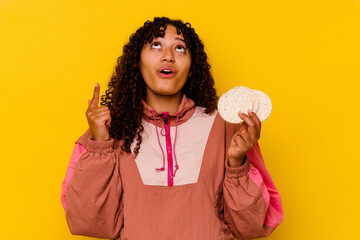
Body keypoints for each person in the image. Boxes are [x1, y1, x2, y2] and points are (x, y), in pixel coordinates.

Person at [61, 17, 283, 240]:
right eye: (156, 45)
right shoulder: (109, 131)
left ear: (192, 66)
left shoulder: (227, 128)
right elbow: (88, 222)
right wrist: (100, 144)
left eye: (180, 48)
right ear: (137, 61)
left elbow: (251, 227)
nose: (168, 56)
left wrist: (236, 162)